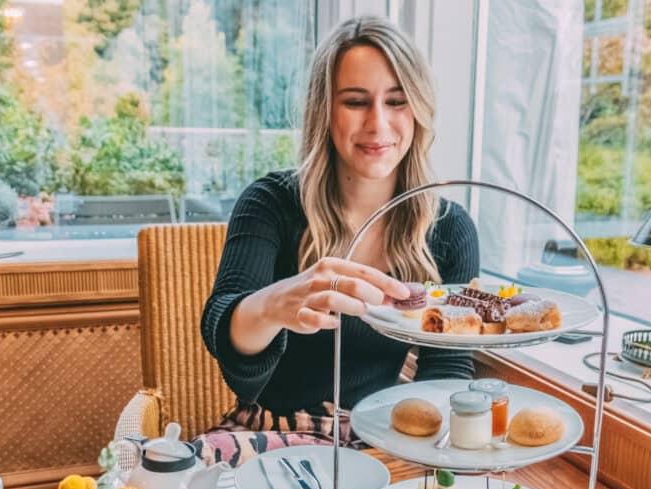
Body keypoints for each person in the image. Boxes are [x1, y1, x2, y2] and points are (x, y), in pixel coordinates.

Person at [198, 15, 479, 466]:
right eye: (355, 102)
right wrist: (275, 304)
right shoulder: (272, 204)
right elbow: (229, 345)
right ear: (323, 110)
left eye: (397, 101)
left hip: (381, 440)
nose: (378, 123)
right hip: (270, 436)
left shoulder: (448, 227)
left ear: (419, 110)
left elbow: (445, 371)